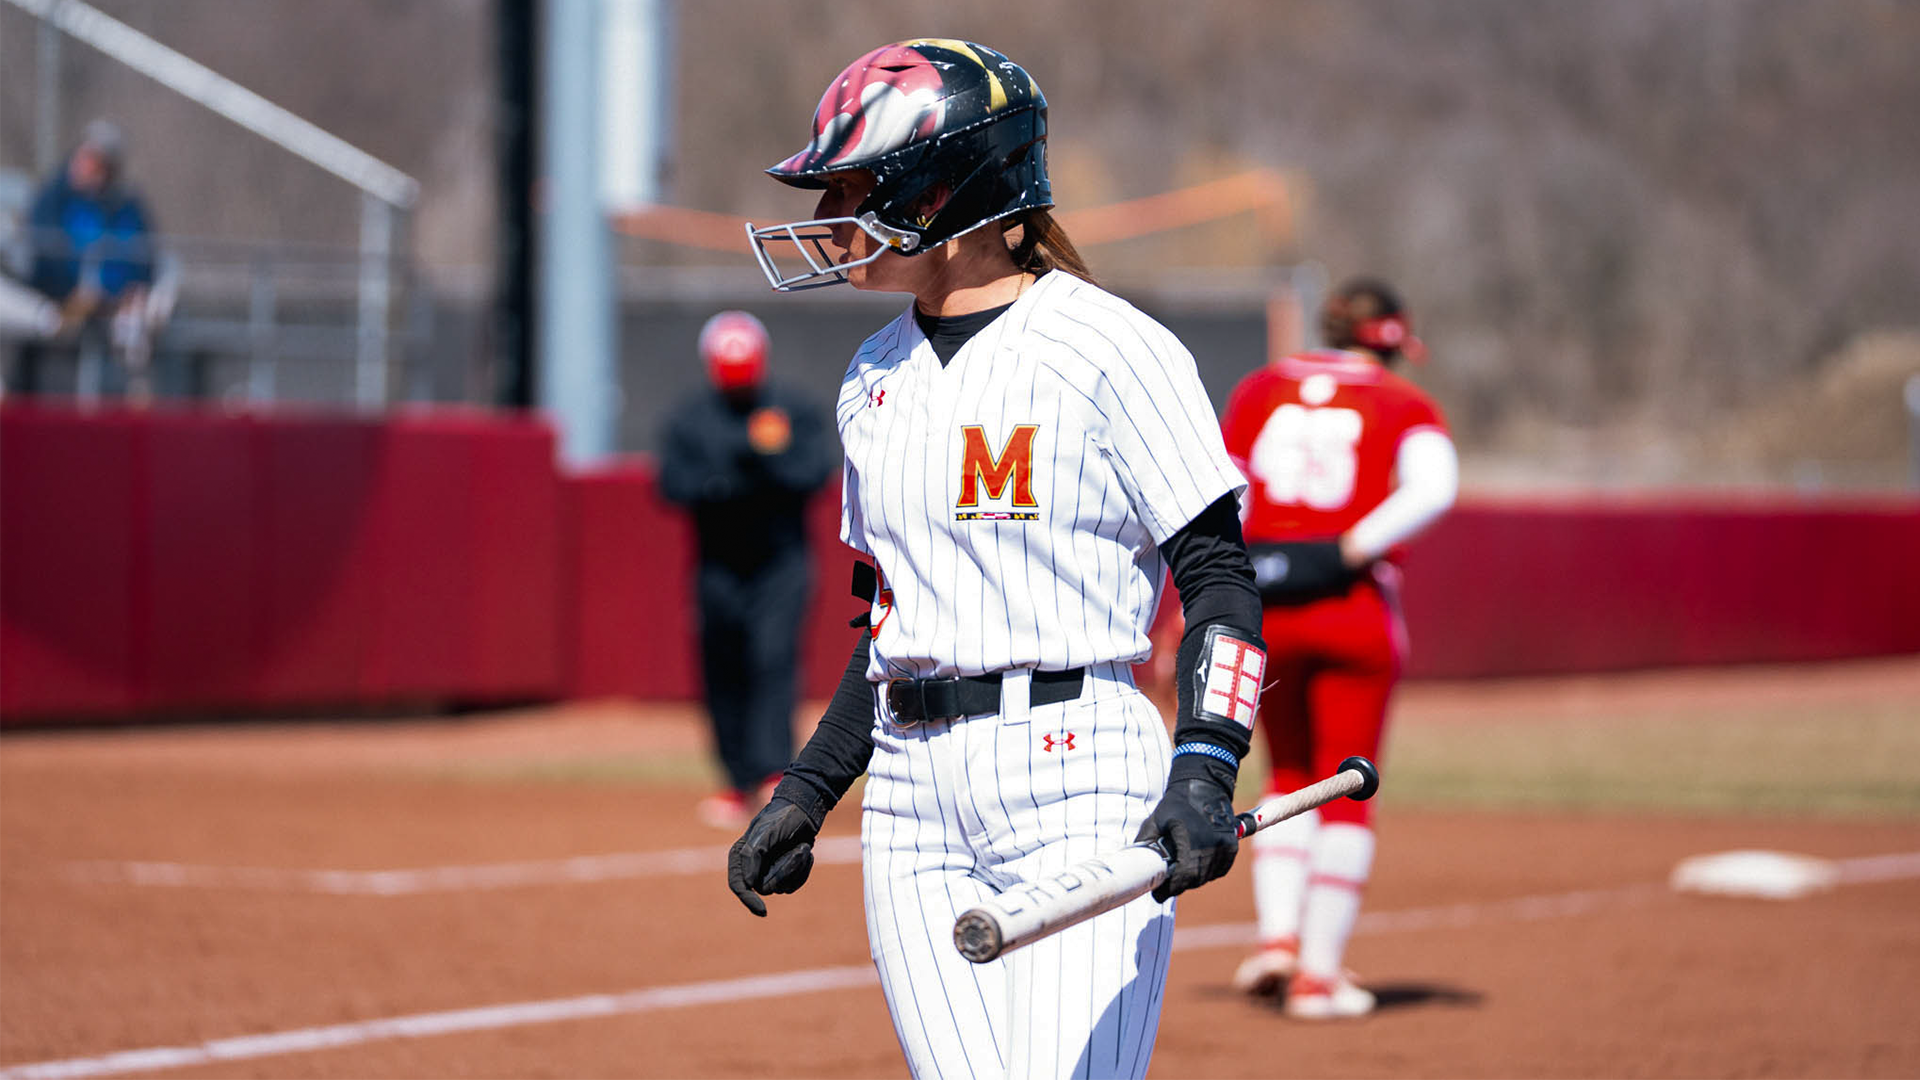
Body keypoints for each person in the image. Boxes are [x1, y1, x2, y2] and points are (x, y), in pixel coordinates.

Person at [725, 39, 1268, 1080]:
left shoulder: (1112, 347)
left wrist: (1204, 762)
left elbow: (1219, 582)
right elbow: (886, 620)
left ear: (948, 191)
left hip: (1080, 774)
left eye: (856, 186)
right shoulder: (870, 376)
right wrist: (807, 791)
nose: (833, 211)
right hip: (912, 796)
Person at [1215, 277, 1458, 1019]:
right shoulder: (1402, 401)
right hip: (1350, 604)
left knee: (1284, 773)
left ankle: (1278, 941)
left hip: (1264, 602)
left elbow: (1222, 492)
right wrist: (1347, 550)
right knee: (1347, 786)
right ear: (1390, 338)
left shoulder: (1260, 389)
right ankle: (1319, 976)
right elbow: (1434, 488)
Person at [659, 310, 837, 828]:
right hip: (717, 569)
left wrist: (765, 460)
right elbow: (673, 484)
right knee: (724, 671)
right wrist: (734, 472)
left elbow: (812, 472)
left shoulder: (791, 409)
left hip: (781, 564)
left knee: (772, 660)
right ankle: (734, 781)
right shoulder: (692, 417)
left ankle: (773, 773)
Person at [10, 119, 163, 398]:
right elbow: (42, 251)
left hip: (112, 302)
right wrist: (70, 290)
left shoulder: (125, 205)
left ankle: (130, 402)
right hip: (56, 297)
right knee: (44, 326)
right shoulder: (54, 197)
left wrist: (118, 291)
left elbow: (141, 256)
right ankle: (24, 399)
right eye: (85, 156)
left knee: (137, 326)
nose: (87, 165)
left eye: (97, 160)